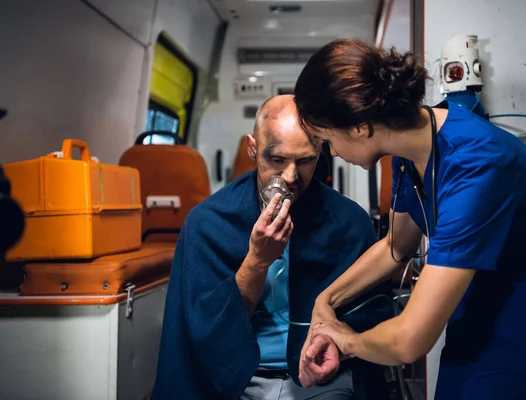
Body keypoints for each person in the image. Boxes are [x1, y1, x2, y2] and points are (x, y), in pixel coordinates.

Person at [293, 38, 526, 399]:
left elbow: (408, 342)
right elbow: (397, 247)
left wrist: (344, 339)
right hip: (471, 335)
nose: (332, 153)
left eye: (327, 140)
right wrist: (326, 301)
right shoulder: (409, 152)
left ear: (359, 127)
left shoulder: (477, 164)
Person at [151, 94, 393, 399]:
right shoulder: (208, 222)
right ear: (253, 149)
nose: (290, 177)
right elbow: (204, 332)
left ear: (321, 151)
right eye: (276, 160)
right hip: (238, 377)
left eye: (305, 161)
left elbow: (373, 313)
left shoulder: (349, 221)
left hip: (322, 381)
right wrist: (257, 260)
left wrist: (337, 346)